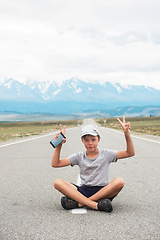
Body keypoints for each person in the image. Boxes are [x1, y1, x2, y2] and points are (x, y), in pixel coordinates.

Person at [51, 115, 135, 212]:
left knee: (120, 181)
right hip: (84, 190)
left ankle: (80, 203)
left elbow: (130, 153)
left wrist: (127, 134)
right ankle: (96, 205)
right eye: (86, 140)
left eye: (93, 139)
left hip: (103, 192)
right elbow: (55, 164)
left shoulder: (106, 154)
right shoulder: (79, 156)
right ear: (82, 141)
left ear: (99, 139)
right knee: (58, 183)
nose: (90, 143)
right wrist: (59, 145)